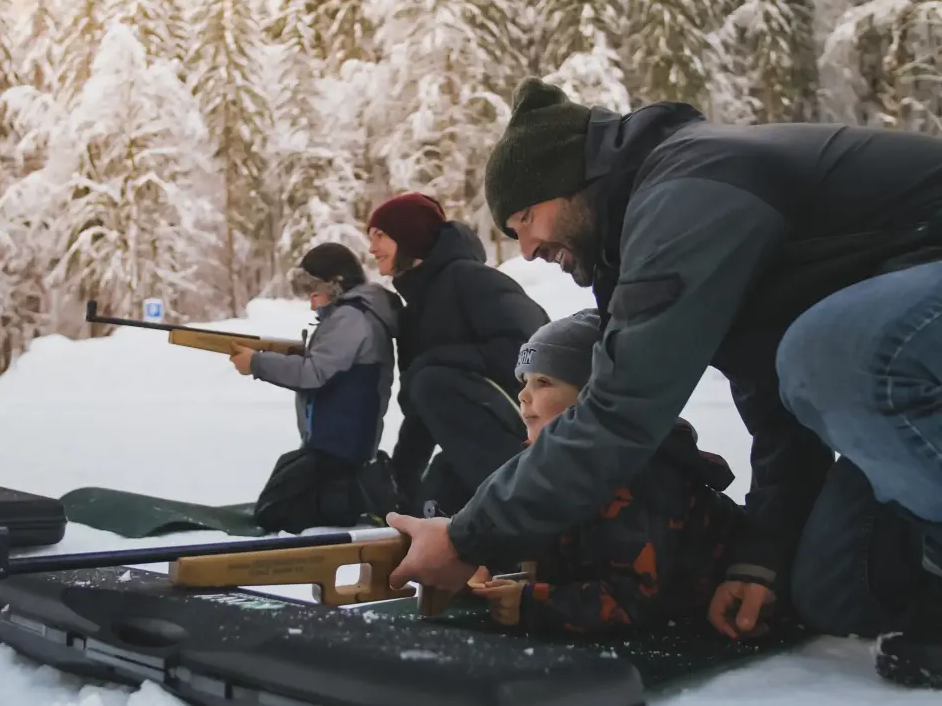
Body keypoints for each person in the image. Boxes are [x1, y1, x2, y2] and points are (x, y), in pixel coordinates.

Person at [383, 78, 942, 688]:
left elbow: (623, 413)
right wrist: (759, 562)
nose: (528, 247)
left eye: (525, 217)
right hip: (914, 362)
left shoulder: (691, 189)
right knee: (834, 588)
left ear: (574, 183)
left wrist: (468, 536)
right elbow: (779, 417)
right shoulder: (663, 236)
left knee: (832, 351)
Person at [469, 309, 744, 633]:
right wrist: (484, 563)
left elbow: (637, 601)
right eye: (524, 382)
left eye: (543, 382)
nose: (523, 395)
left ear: (593, 402)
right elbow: (553, 548)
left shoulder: (639, 478)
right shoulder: (549, 469)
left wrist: (531, 603)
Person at [365, 192, 550, 519]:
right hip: (477, 444)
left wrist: (437, 362)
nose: (371, 248)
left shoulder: (470, 278)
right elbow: (422, 412)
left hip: (532, 428)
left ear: (409, 235)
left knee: (431, 379)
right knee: (431, 503)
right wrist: (401, 490)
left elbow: (532, 347)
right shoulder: (413, 313)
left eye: (380, 235)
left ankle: (523, 509)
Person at [229, 242, 403, 533]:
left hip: (338, 450)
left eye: (314, 294)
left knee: (275, 512)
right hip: (331, 446)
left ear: (335, 286)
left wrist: (257, 364)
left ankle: (363, 496)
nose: (312, 305)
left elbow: (314, 372)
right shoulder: (354, 315)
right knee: (286, 481)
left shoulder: (351, 318)